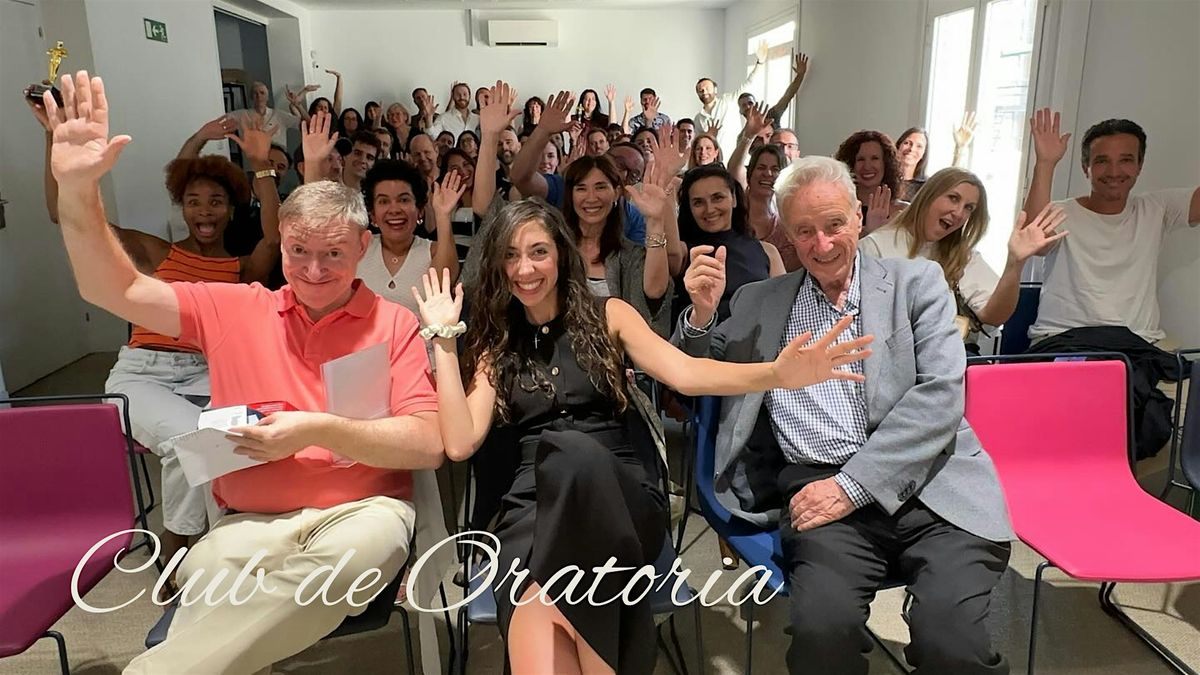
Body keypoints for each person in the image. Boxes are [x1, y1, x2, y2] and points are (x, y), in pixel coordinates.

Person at [42, 71, 446, 675]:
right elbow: (113, 287)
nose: (313, 270)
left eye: (334, 253)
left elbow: (428, 442)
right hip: (246, 522)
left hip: (361, 516)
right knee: (210, 585)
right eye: (298, 251)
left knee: (338, 569)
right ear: (280, 242)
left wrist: (314, 429)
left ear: (361, 247)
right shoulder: (232, 308)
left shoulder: (394, 324)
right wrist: (77, 188)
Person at [412, 196, 871, 675]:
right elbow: (460, 444)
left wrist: (775, 374)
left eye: (538, 252)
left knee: (572, 453)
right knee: (544, 602)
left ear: (561, 254)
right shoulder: (496, 340)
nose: (524, 269)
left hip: (619, 501)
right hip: (532, 512)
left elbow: (686, 373)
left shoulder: (608, 313)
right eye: (510, 255)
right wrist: (443, 340)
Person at [674, 155, 1014, 675]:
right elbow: (696, 378)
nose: (822, 243)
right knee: (822, 638)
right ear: (788, 234)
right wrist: (700, 314)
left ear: (858, 217)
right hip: (819, 491)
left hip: (932, 484)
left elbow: (942, 395)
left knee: (952, 643)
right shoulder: (759, 300)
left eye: (834, 224)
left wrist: (853, 486)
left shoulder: (916, 283)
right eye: (804, 231)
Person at [28, 89, 283, 584]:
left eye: (216, 202)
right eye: (193, 202)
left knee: (239, 438)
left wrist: (261, 167)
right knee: (197, 440)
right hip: (144, 373)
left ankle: (208, 550)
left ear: (231, 210)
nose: (204, 211)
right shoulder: (155, 252)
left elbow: (273, 238)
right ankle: (180, 549)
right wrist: (55, 146)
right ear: (181, 208)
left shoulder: (240, 268)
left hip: (209, 372)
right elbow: (66, 215)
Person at [1023, 108, 1200, 346]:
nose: (1114, 171)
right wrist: (1045, 163)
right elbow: (1033, 243)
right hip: (1063, 340)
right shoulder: (1061, 212)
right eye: (1102, 161)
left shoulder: (1156, 208)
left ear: (1139, 165)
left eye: (1125, 160)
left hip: (1137, 346)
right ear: (1086, 167)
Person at [860, 168, 1066, 347]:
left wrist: (1015, 263)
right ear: (929, 196)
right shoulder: (876, 246)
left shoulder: (963, 256)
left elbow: (994, 316)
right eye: (953, 198)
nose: (959, 213)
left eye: (969, 208)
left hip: (948, 360)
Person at [356, 158, 460, 314]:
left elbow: (441, 291)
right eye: (383, 201)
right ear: (373, 214)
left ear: (419, 210)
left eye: (404, 200)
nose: (394, 209)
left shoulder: (434, 251)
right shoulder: (359, 248)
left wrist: (443, 214)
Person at [694, 40, 768, 158]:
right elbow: (697, 145)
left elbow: (749, 84)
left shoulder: (728, 101)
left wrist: (760, 63)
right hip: (711, 163)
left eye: (707, 88)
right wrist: (708, 136)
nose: (704, 91)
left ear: (715, 90)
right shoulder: (698, 118)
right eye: (700, 90)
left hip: (734, 159)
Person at [834, 129, 907, 235]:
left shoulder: (904, 211)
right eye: (860, 159)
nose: (867, 166)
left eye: (875, 158)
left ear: (886, 164)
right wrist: (869, 231)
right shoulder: (837, 209)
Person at [230, 81, 299, 147]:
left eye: (262, 93)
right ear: (252, 97)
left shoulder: (279, 115)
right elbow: (224, 120)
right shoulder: (242, 115)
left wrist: (296, 105)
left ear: (267, 97)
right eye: (255, 93)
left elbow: (300, 122)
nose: (259, 96)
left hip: (278, 153)